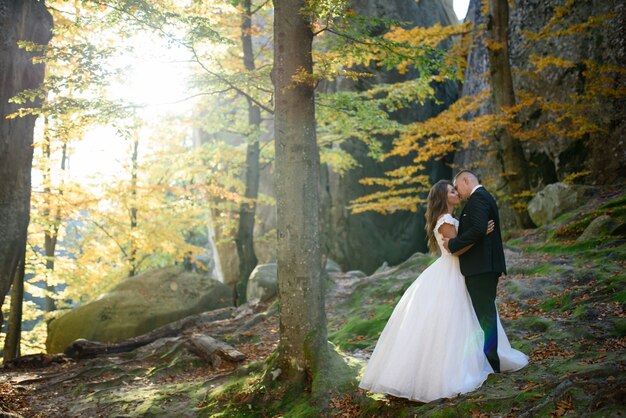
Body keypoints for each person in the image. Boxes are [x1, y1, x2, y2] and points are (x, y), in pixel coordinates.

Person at [359, 179, 527, 403]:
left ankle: (483, 357)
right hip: (452, 271)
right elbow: (456, 249)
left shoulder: (450, 218)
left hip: (459, 271)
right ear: (442, 197)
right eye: (452, 191)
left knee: (468, 317)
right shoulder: (445, 220)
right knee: (450, 321)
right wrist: (480, 235)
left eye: (456, 189)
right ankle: (446, 373)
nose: (456, 193)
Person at [443, 170, 507, 373]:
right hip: (485, 266)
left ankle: (491, 364)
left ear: (465, 180)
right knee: (485, 315)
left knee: (485, 317)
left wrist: (453, 244)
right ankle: (488, 361)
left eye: (457, 187)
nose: (458, 193)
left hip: (481, 268)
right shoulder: (484, 197)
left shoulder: (478, 198)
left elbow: (479, 229)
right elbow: (480, 229)